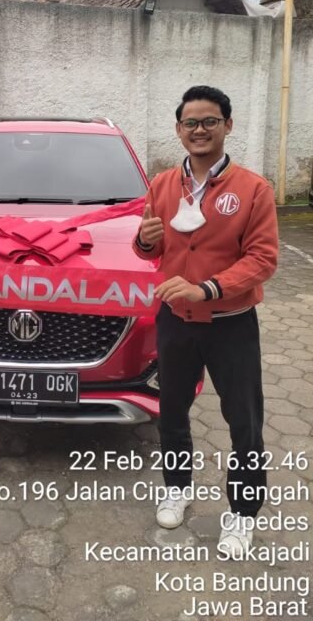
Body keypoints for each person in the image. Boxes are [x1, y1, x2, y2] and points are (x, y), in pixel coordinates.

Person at [133, 85, 278, 558]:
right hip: (175, 320)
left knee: (244, 421)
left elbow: (263, 259)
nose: (199, 130)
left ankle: (243, 513)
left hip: (231, 323)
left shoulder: (253, 189)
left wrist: (209, 288)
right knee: (172, 409)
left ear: (227, 126)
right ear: (179, 130)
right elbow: (150, 249)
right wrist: (146, 240)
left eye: (209, 121)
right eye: (190, 123)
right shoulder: (162, 184)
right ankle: (177, 487)